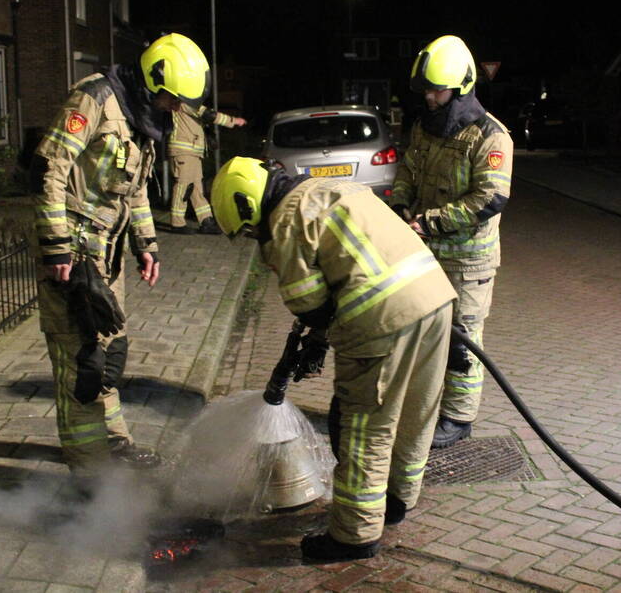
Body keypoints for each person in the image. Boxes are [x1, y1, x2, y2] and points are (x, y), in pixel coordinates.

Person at [210, 157, 456, 562]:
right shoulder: (336, 188)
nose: (256, 237)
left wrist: (317, 334)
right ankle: (397, 500)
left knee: (364, 427)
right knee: (417, 412)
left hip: (380, 320)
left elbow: (309, 304)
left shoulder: (286, 222)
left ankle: (354, 535)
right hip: (435, 300)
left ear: (247, 205)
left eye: (250, 230)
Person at [29, 33, 209, 483]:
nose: (176, 108)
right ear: (153, 81)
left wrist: (146, 245)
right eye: (172, 98)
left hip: (106, 258)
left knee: (110, 351)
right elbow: (49, 169)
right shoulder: (94, 99)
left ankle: (113, 441)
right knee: (82, 358)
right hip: (71, 255)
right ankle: (89, 470)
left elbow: (137, 188)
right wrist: (56, 246)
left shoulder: (142, 117)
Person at [388, 34, 514, 449]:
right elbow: (408, 168)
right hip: (426, 256)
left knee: (462, 343)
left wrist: (430, 223)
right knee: (424, 336)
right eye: (425, 89)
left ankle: (459, 419)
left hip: (467, 264)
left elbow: (488, 198)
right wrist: (402, 201)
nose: (429, 97)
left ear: (460, 89)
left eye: (437, 90)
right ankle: (420, 408)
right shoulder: (426, 128)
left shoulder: (491, 137)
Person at [167, 104, 246, 235]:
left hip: (193, 152)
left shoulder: (185, 102)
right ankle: (177, 223)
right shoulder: (184, 102)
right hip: (183, 151)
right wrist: (233, 121)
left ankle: (206, 221)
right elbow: (207, 114)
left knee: (197, 188)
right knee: (183, 186)